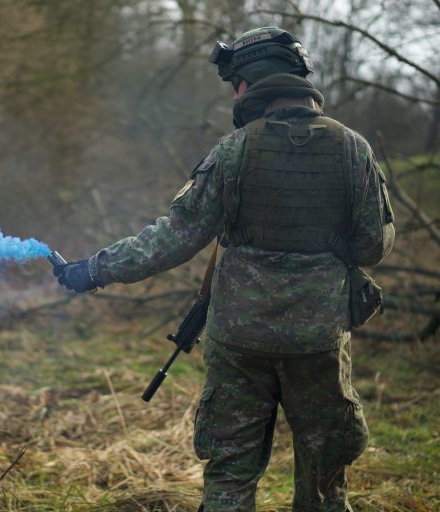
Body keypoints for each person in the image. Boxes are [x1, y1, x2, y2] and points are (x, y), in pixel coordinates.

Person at [53, 26, 395, 512]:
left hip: (239, 341)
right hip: (317, 341)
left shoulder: (234, 150)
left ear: (250, 84)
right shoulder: (353, 148)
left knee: (229, 481)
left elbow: (173, 239)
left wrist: (92, 270)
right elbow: (372, 246)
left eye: (235, 83)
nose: (234, 94)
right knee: (324, 485)